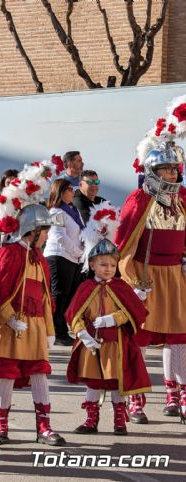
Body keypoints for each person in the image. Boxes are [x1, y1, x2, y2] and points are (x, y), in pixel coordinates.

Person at [0, 160, 66, 446]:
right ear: (32, 231)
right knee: (7, 376)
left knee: (39, 375)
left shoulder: (40, 260)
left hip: (34, 327)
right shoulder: (9, 254)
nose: (47, 236)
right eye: (44, 231)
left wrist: (49, 330)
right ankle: (1, 426)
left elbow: (46, 298)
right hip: (13, 327)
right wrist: (9, 317)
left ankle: (44, 427)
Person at [114, 126, 186, 425]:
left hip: (176, 276)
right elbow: (123, 242)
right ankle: (136, 399)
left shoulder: (183, 198)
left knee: (179, 338)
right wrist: (131, 280)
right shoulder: (139, 199)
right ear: (153, 170)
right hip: (146, 277)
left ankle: (176, 395)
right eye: (165, 169)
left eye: (174, 168)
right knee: (140, 340)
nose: (172, 173)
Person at [66, 201, 151, 436]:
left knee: (116, 382)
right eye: (103, 264)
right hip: (91, 346)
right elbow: (75, 314)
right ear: (92, 264)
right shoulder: (85, 287)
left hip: (115, 345)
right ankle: (91, 419)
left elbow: (134, 312)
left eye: (113, 265)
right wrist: (83, 334)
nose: (108, 268)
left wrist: (114, 319)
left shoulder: (121, 287)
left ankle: (119, 420)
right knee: (93, 383)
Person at [44, 178, 85, 346]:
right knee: (59, 295)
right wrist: (78, 252)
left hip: (72, 258)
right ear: (59, 192)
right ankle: (56, 331)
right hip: (59, 256)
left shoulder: (72, 210)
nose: (72, 191)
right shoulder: (56, 211)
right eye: (69, 189)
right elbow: (58, 236)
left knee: (68, 295)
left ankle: (61, 329)